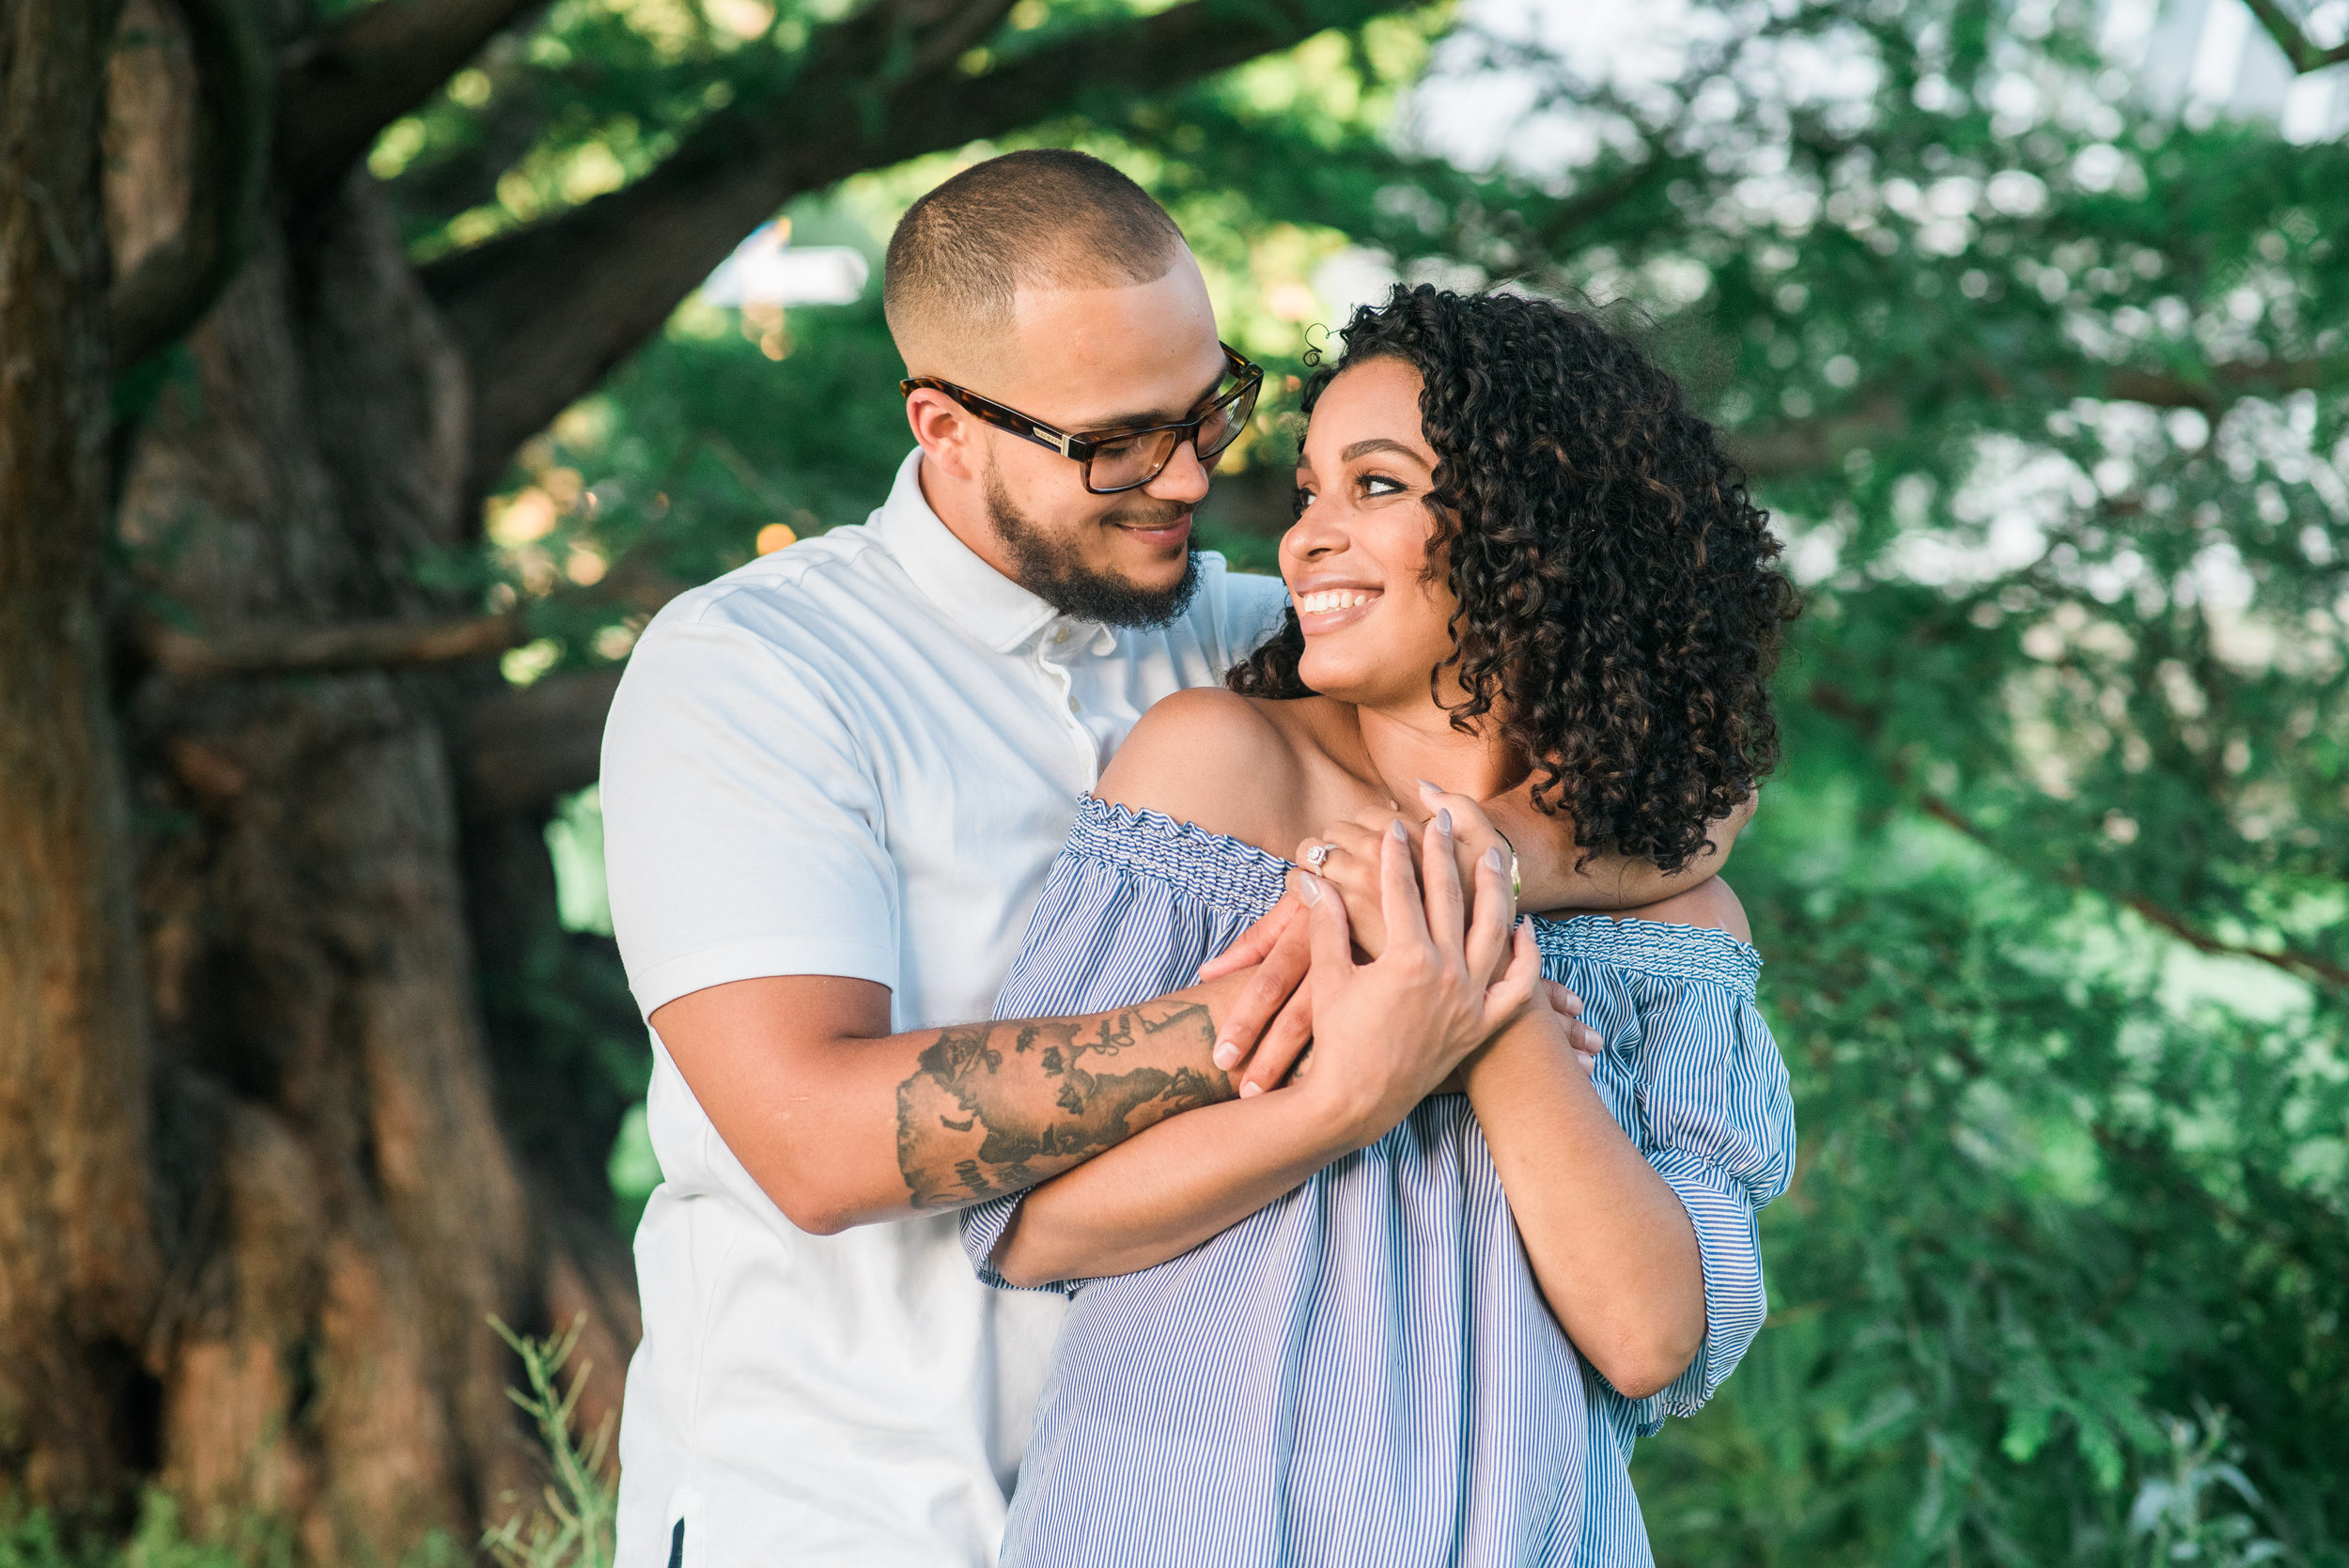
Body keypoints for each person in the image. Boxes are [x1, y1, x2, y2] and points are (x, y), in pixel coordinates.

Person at [600, 153, 1746, 1568]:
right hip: (853, 1508)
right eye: (1123, 441)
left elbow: (1672, 774)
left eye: (1212, 406)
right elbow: (817, 1143)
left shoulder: (1257, 629)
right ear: (947, 428)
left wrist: (1445, 889)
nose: (1194, 475)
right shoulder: (763, 670)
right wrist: (1334, 1026)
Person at [958, 286, 1800, 1565]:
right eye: (1307, 494)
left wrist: (1483, 994)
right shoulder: (1222, 775)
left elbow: (1649, 1336)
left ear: (1543, 522)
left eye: (1376, 486)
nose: (1307, 542)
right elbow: (1028, 1222)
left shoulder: (1673, 903)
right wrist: (1341, 1093)